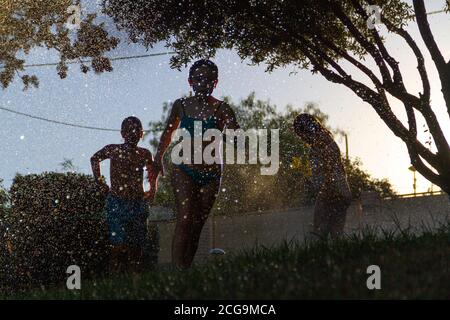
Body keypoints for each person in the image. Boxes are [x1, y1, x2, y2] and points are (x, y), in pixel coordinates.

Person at [153, 59, 239, 268]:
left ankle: (186, 269)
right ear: (190, 81)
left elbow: (234, 134)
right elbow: (168, 132)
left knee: (198, 224)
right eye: (199, 79)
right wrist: (158, 158)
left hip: (211, 174)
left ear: (215, 83)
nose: (203, 83)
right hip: (183, 169)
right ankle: (176, 271)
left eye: (209, 79)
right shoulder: (181, 105)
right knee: (185, 219)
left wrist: (232, 131)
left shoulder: (222, 108)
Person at [91, 116, 158, 272]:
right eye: (129, 130)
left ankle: (134, 280)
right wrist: (100, 181)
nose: (133, 133)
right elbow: (94, 159)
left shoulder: (144, 153)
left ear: (142, 134)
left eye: (136, 130)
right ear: (122, 133)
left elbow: (152, 171)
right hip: (117, 202)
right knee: (118, 245)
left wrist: (153, 188)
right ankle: (114, 275)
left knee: (137, 247)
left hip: (137, 203)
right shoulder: (114, 149)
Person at [293, 113, 352, 239]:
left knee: (319, 233)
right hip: (341, 190)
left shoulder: (321, 142)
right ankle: (342, 257)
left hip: (331, 191)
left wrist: (327, 189)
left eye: (300, 133)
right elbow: (336, 168)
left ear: (306, 130)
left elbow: (329, 168)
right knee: (336, 234)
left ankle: (322, 258)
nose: (301, 138)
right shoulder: (325, 140)